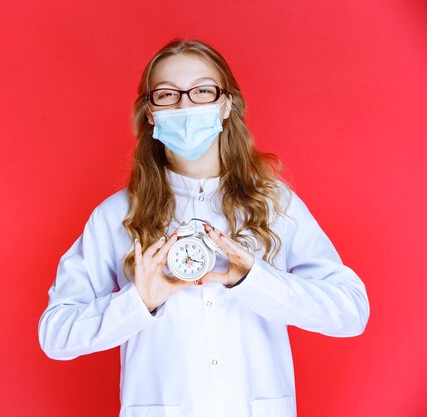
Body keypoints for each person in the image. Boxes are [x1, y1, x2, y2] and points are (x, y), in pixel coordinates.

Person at [38, 39, 369, 417]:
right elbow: (56, 336)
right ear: (150, 113)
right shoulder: (117, 216)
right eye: (167, 95)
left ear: (226, 104)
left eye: (202, 91)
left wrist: (255, 281)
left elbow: (350, 312)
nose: (185, 106)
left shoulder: (275, 204)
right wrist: (138, 302)